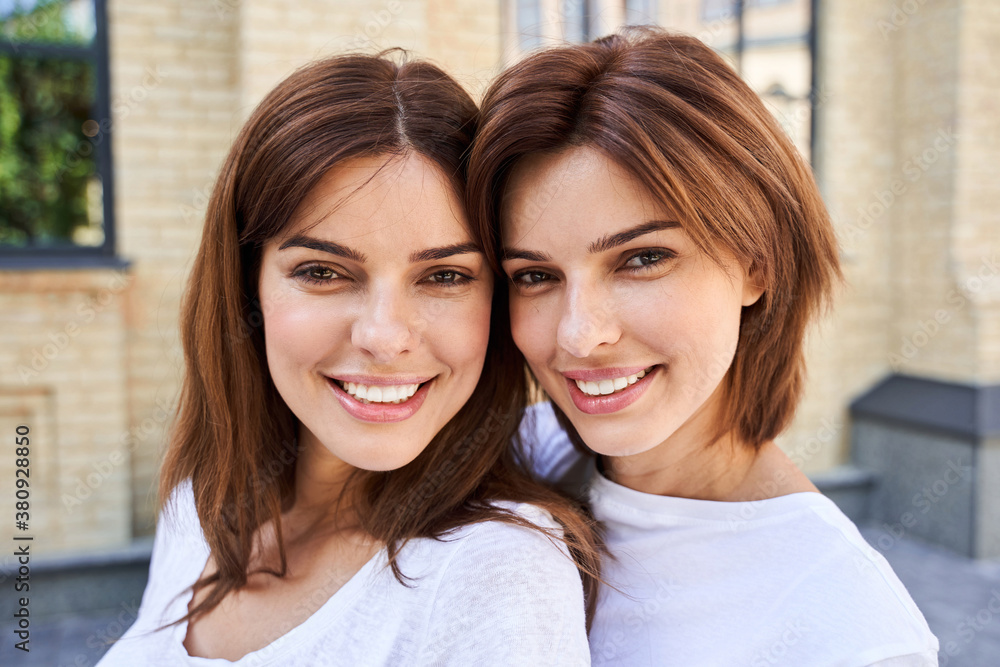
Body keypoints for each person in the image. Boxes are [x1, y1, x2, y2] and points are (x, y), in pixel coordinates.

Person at [98, 52, 600, 666]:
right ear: (245, 284)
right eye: (322, 272)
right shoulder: (200, 508)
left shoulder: (495, 573)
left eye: (444, 275)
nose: (385, 337)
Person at [467, 28, 940, 666]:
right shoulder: (510, 458)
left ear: (756, 262)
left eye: (642, 259)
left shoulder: (853, 632)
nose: (579, 333)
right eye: (535, 276)